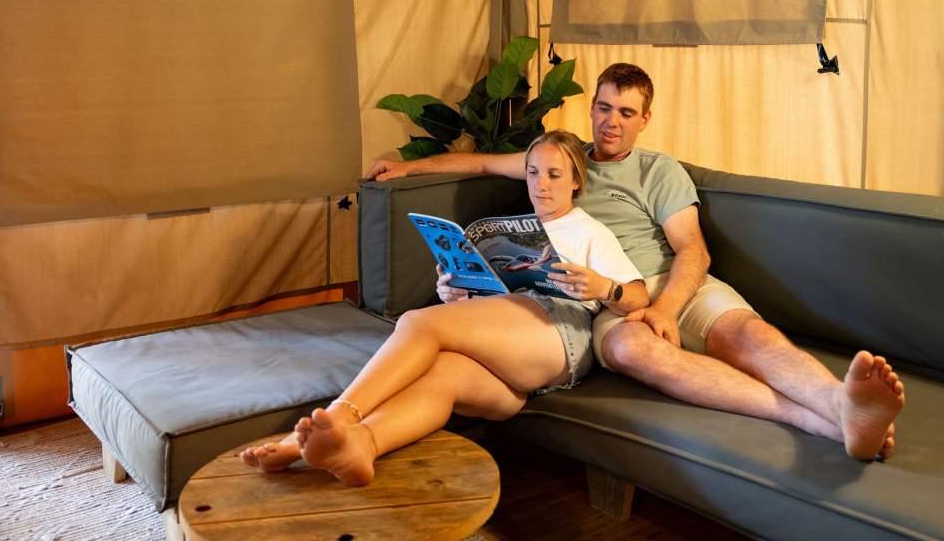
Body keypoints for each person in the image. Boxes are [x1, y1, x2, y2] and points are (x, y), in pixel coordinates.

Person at [367, 63, 905, 461]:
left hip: (676, 283)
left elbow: (693, 249)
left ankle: (840, 401)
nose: (611, 122)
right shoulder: (562, 160)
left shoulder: (658, 171)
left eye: (626, 113)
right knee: (631, 349)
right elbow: (485, 162)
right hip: (607, 297)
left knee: (745, 334)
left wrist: (666, 308)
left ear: (644, 119)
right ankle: (825, 423)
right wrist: (408, 168)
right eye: (604, 108)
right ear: (591, 109)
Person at [241, 130, 648, 483]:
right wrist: (459, 293)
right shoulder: (514, 229)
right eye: (532, 172)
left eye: (554, 175)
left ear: (576, 180)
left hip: (558, 331)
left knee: (419, 322)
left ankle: (337, 417)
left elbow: (638, 297)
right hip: (515, 357)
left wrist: (605, 287)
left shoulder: (590, 231)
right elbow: (494, 305)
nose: (541, 184)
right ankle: (362, 444)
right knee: (442, 375)